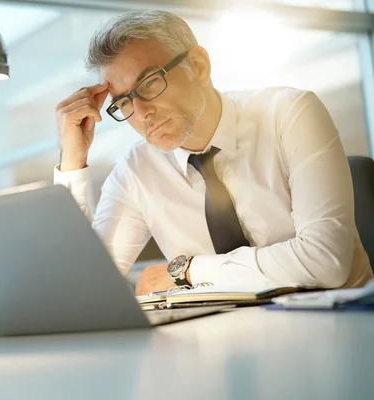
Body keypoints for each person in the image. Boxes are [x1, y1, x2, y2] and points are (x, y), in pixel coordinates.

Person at [54, 10, 373, 295]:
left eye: (150, 83)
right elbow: (79, 288)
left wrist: (188, 271)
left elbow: (325, 261)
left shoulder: (290, 114)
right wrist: (72, 162)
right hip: (222, 342)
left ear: (199, 66)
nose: (141, 113)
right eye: (123, 102)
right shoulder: (136, 172)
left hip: (338, 327)